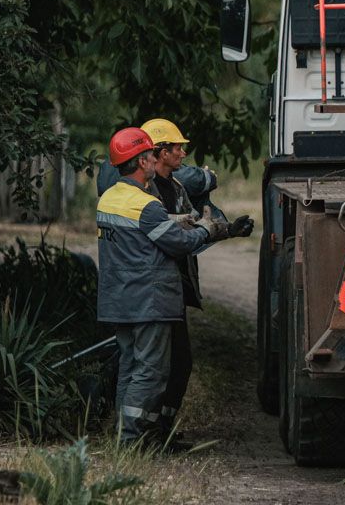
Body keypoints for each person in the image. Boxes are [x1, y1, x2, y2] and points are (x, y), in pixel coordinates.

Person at [95, 127, 230, 446]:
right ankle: (132, 440)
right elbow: (179, 245)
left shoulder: (110, 200)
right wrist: (207, 229)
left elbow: (146, 232)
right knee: (151, 372)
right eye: (153, 155)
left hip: (119, 300)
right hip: (149, 301)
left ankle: (123, 434)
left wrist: (175, 221)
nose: (157, 160)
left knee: (129, 366)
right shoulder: (146, 206)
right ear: (143, 162)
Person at [136, 118, 253, 441]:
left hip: (173, 288)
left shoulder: (175, 187)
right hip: (151, 290)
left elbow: (195, 228)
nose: (183, 153)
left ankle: (162, 429)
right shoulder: (145, 191)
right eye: (177, 148)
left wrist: (228, 230)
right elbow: (174, 233)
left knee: (180, 364)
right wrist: (200, 227)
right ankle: (145, 433)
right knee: (155, 367)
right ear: (159, 152)